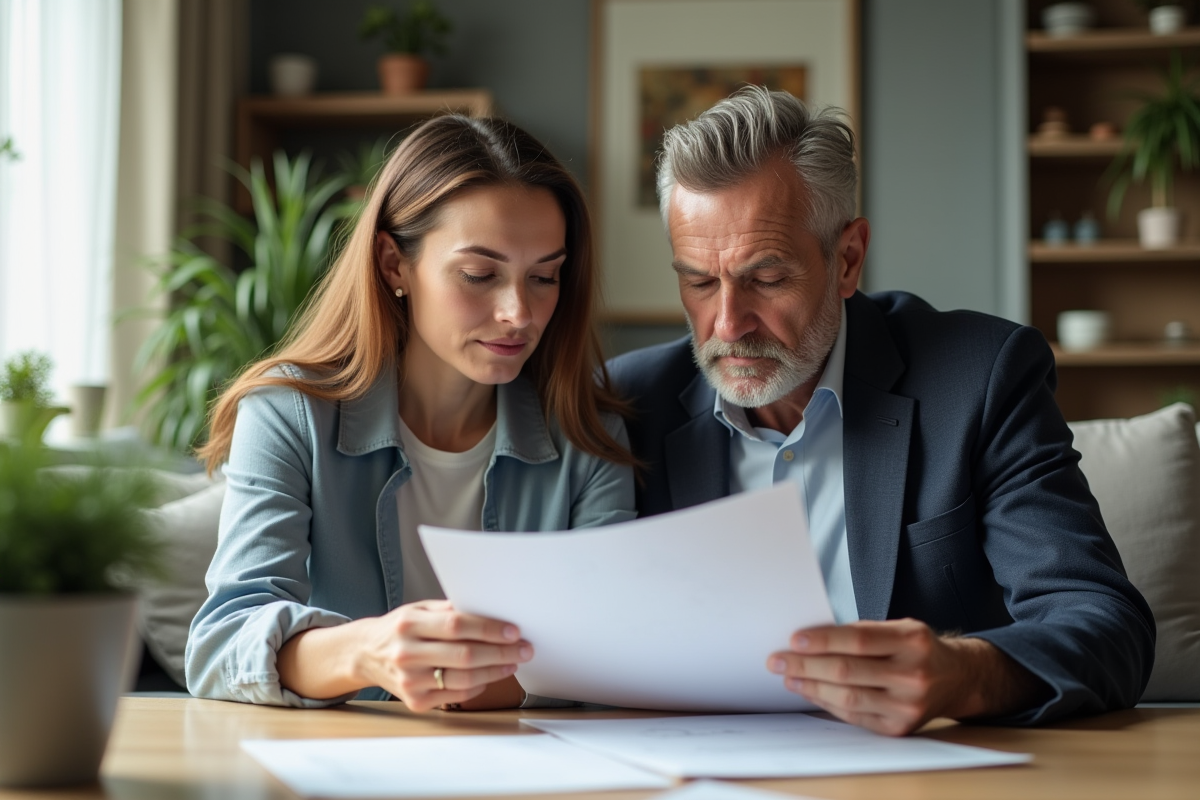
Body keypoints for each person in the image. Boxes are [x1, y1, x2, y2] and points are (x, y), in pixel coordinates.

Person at [607, 87, 1155, 736]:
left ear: (847, 259)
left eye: (767, 277)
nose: (728, 323)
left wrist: (965, 673)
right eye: (699, 281)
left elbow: (1105, 623)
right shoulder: (625, 403)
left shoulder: (981, 378)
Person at [186, 115, 636, 711]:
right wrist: (370, 651)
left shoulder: (588, 433)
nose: (519, 313)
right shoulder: (287, 414)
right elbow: (222, 644)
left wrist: (454, 677)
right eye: (480, 274)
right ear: (394, 263)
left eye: (544, 277)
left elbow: (613, 649)